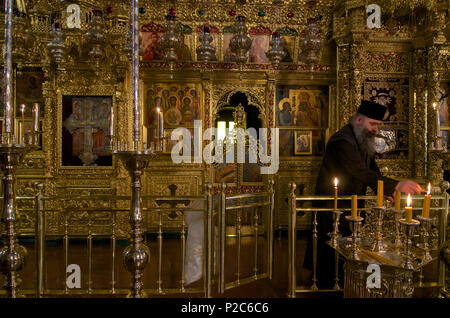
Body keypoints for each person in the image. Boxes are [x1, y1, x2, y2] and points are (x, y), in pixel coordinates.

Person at [303, 100, 423, 289]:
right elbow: (359, 171)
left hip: (351, 204)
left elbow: (373, 172)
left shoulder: (362, 139)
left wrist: (385, 192)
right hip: (332, 205)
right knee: (330, 247)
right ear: (359, 120)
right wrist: (396, 185)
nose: (375, 129)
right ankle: (326, 285)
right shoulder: (341, 141)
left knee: (348, 247)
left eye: (378, 125)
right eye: (372, 124)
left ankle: (346, 283)